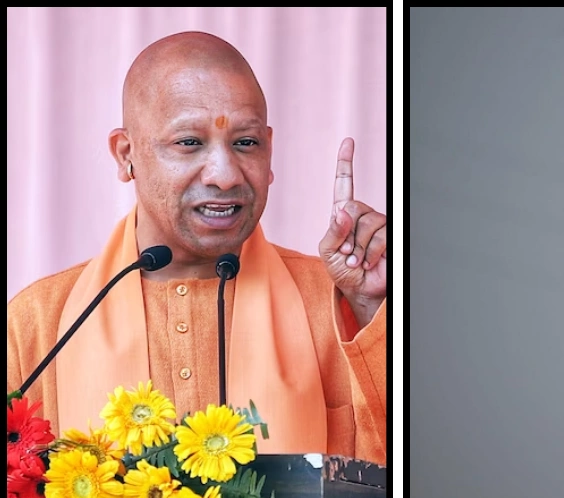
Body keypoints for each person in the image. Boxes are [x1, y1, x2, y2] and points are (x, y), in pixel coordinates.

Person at [6, 32, 387, 466]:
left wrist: (375, 313)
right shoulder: (37, 325)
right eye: (189, 142)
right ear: (125, 154)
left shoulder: (339, 302)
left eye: (246, 143)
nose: (225, 175)